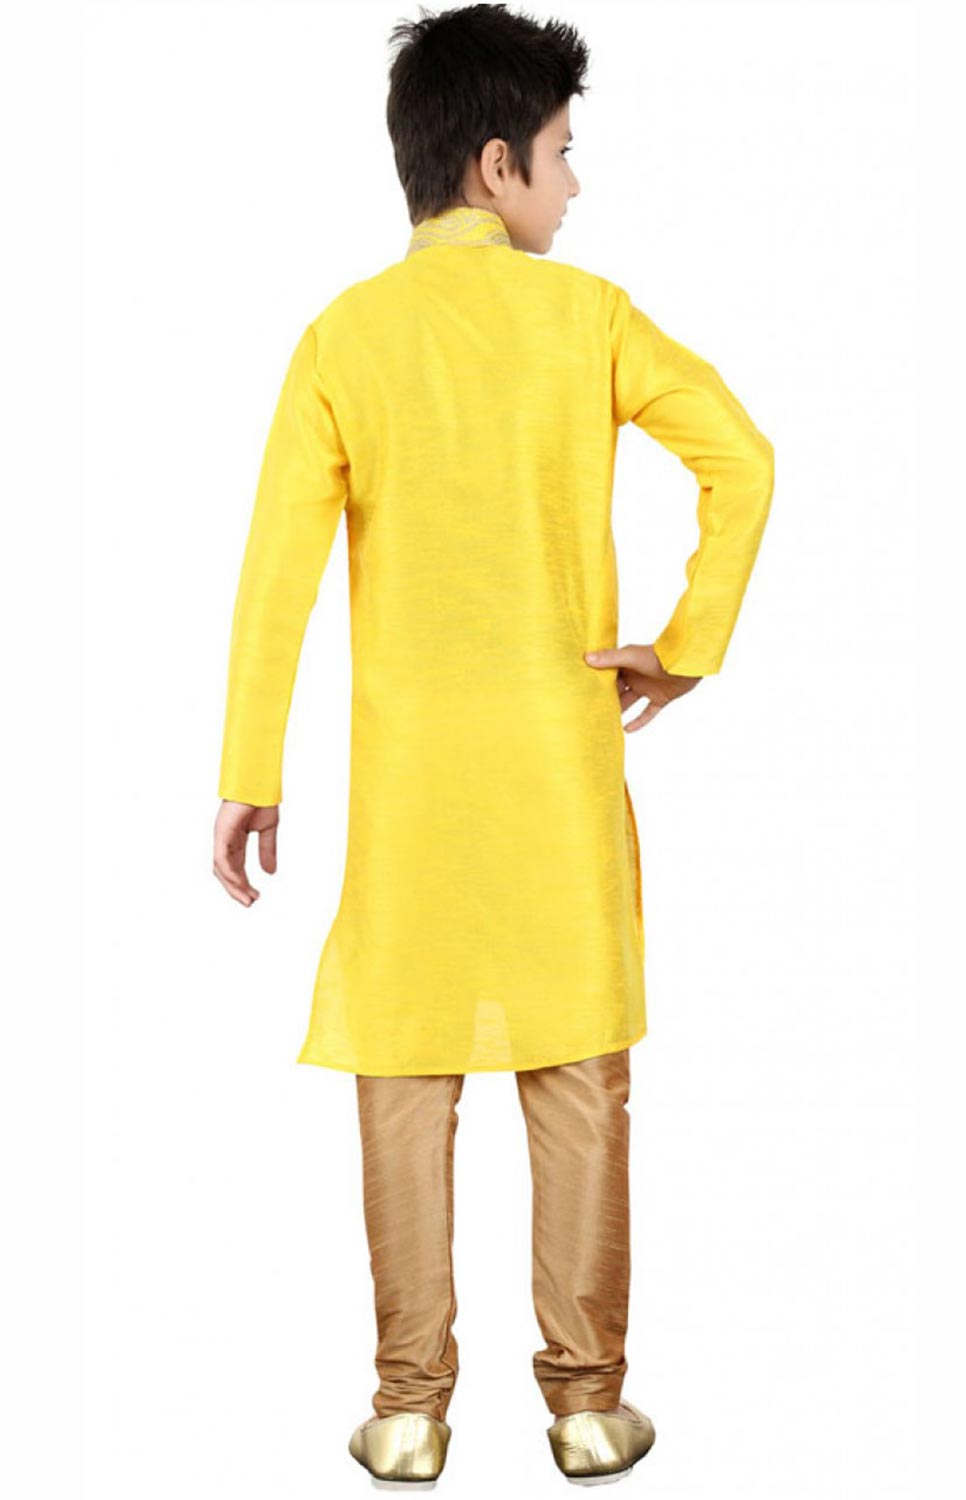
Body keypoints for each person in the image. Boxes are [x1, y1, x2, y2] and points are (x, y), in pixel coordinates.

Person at [213, 3, 774, 1488]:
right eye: (565, 153)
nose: (576, 185)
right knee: (578, 1073)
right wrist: (686, 641)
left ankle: (408, 1413)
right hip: (556, 779)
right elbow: (743, 456)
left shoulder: (341, 339)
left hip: (411, 795)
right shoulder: (589, 319)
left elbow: (275, 578)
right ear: (496, 164)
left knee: (404, 1072)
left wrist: (250, 774)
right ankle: (588, 1408)